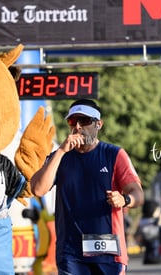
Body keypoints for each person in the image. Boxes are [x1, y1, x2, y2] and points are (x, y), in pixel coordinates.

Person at [30, 99, 144, 275]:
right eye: (72, 121)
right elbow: (38, 189)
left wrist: (124, 199)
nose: (77, 126)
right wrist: (60, 151)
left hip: (108, 251)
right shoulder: (59, 157)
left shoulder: (114, 154)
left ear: (98, 124)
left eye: (84, 121)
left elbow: (138, 194)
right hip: (70, 252)